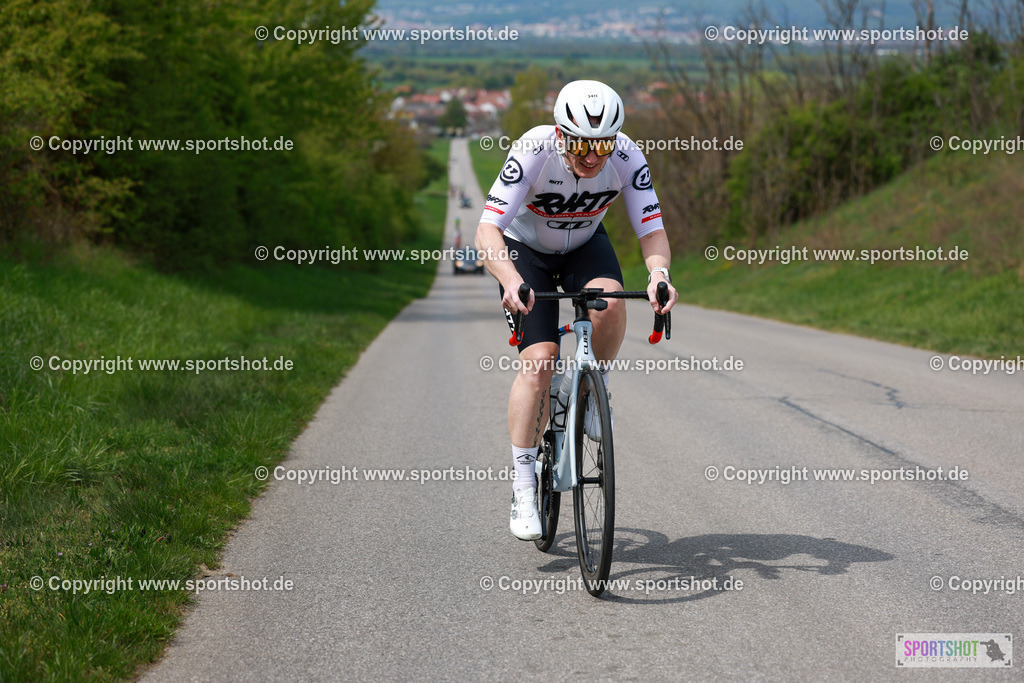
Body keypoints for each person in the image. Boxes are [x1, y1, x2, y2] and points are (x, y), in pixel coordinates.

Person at [475, 80, 679, 540]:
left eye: (602, 146)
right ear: (561, 134)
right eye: (582, 146)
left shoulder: (626, 157)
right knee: (540, 361)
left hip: (585, 245)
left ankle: (592, 387)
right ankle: (524, 484)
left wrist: (659, 276)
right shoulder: (533, 150)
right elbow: (487, 231)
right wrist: (510, 280)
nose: (592, 157)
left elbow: (651, 230)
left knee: (608, 300)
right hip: (525, 251)